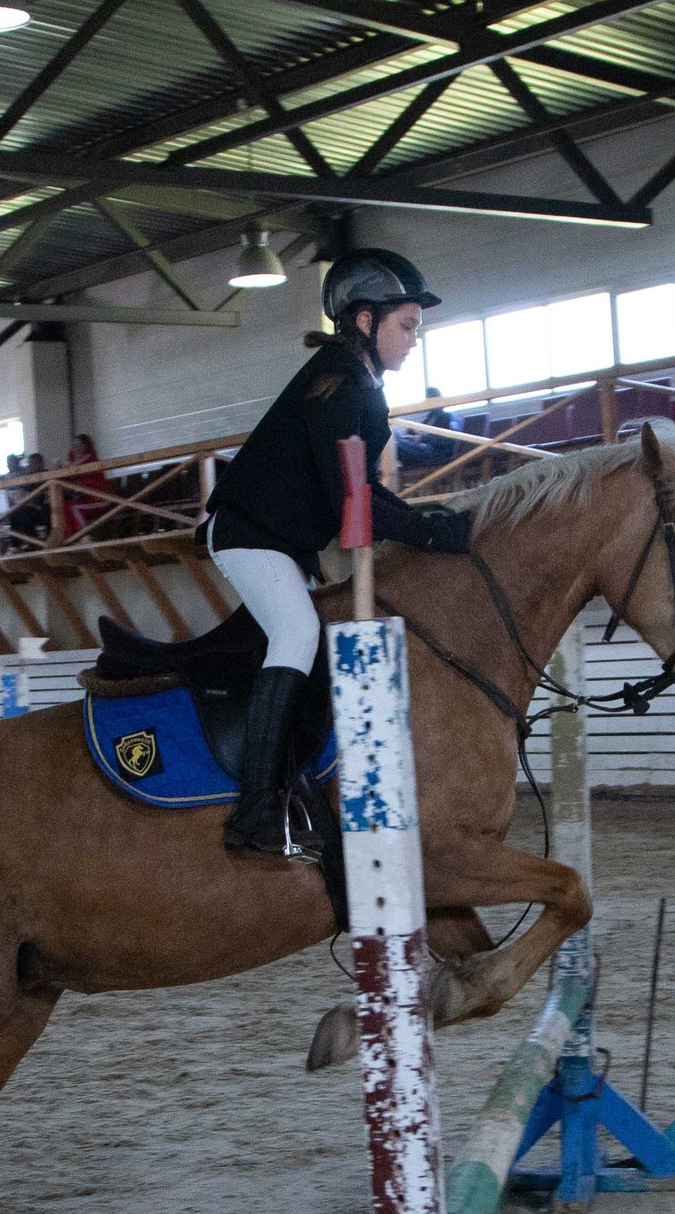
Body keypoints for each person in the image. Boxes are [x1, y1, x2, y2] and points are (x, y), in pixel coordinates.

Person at [200, 247, 471, 855]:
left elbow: (362, 495)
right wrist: (429, 532)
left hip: (276, 540)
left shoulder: (356, 383)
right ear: (366, 322)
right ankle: (253, 812)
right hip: (247, 535)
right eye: (407, 327)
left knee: (305, 639)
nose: (413, 340)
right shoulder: (341, 388)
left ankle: (293, 781)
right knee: (296, 636)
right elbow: (356, 500)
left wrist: (424, 524)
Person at [396, 387, 460, 471]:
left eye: (429, 398)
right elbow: (422, 433)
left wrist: (422, 438)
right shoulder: (430, 417)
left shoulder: (447, 416)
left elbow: (449, 440)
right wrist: (413, 435)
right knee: (394, 441)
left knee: (394, 446)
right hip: (423, 448)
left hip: (436, 453)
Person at [62, 433, 111, 541]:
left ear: (87, 445)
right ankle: (72, 537)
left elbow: (71, 470)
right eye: (75, 445)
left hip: (99, 498)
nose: (77, 448)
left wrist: (70, 458)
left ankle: (83, 536)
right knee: (65, 506)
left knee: (73, 508)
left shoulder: (90, 458)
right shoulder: (79, 459)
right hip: (86, 498)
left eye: (80, 445)